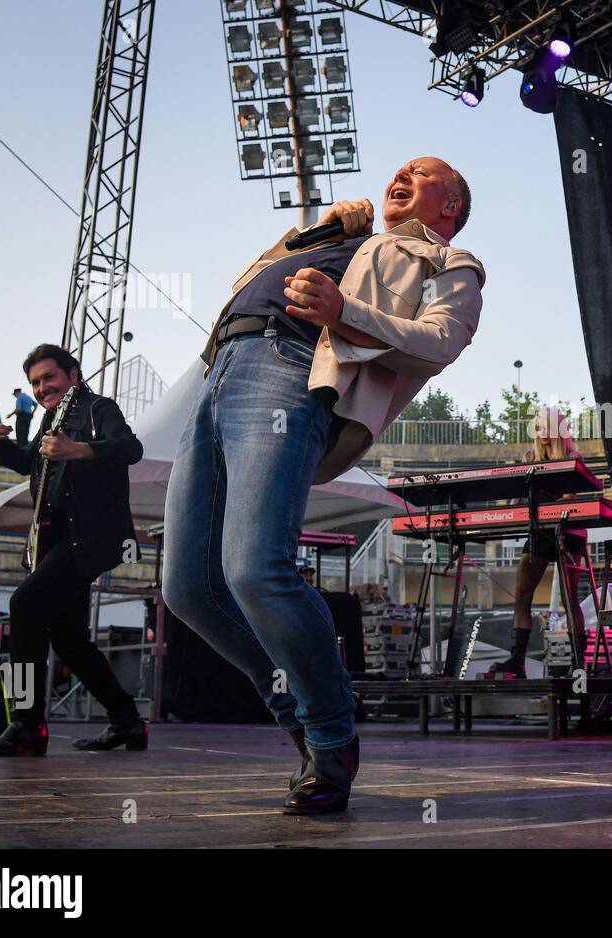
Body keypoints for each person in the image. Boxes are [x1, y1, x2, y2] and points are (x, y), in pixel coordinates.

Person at [163, 156, 484, 815]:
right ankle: (308, 721)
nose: (400, 175)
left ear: (450, 205)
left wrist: (343, 311)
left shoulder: (450, 260)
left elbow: (441, 340)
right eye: (399, 169)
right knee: (188, 588)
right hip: (221, 368)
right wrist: (322, 228)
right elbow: (246, 281)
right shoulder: (344, 237)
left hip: (290, 365)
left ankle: (329, 735)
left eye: (420, 173)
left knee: (255, 569)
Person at [0, 344, 147, 757]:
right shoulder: (50, 420)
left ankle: (28, 724)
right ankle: (127, 720)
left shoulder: (98, 408)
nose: (41, 388)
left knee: (25, 605)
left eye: (48, 377)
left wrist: (79, 449)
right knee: (69, 640)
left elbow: (131, 448)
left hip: (87, 537)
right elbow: (28, 462)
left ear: (72, 374)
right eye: (35, 382)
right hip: (54, 539)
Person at [486, 406, 589, 678]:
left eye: (546, 427)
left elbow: (568, 498)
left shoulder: (573, 457)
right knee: (522, 595)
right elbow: (518, 497)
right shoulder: (531, 458)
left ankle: (579, 662)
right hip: (539, 531)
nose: (541, 432)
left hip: (568, 530)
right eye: (538, 427)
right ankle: (517, 660)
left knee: (569, 597)